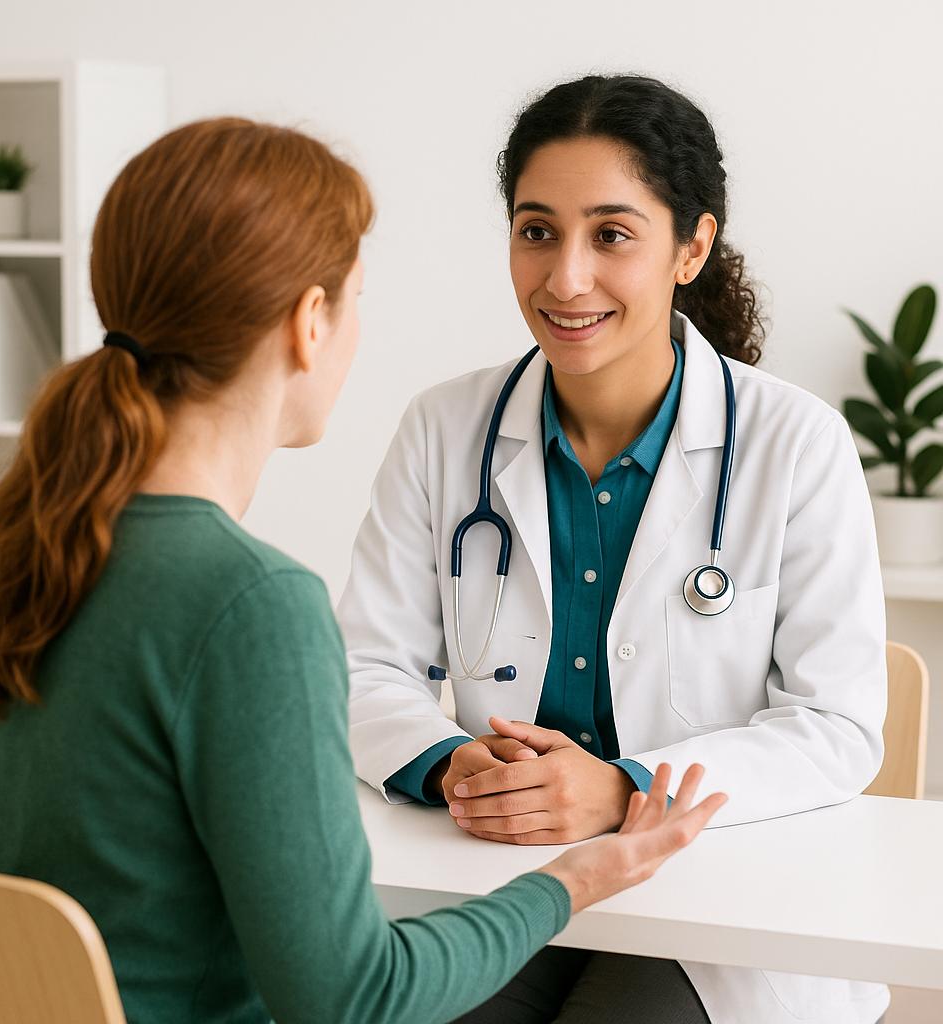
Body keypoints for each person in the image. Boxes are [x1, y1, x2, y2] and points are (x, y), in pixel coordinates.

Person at [0, 117, 725, 1024]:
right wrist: (568, 883)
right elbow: (353, 997)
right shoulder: (248, 604)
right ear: (310, 322)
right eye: (352, 301)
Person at [340, 75, 889, 1024]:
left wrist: (624, 791)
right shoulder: (445, 429)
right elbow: (361, 665)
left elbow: (835, 727)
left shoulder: (796, 444)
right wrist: (446, 761)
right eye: (537, 230)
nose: (566, 279)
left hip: (712, 895)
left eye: (612, 234)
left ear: (692, 247)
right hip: (504, 874)